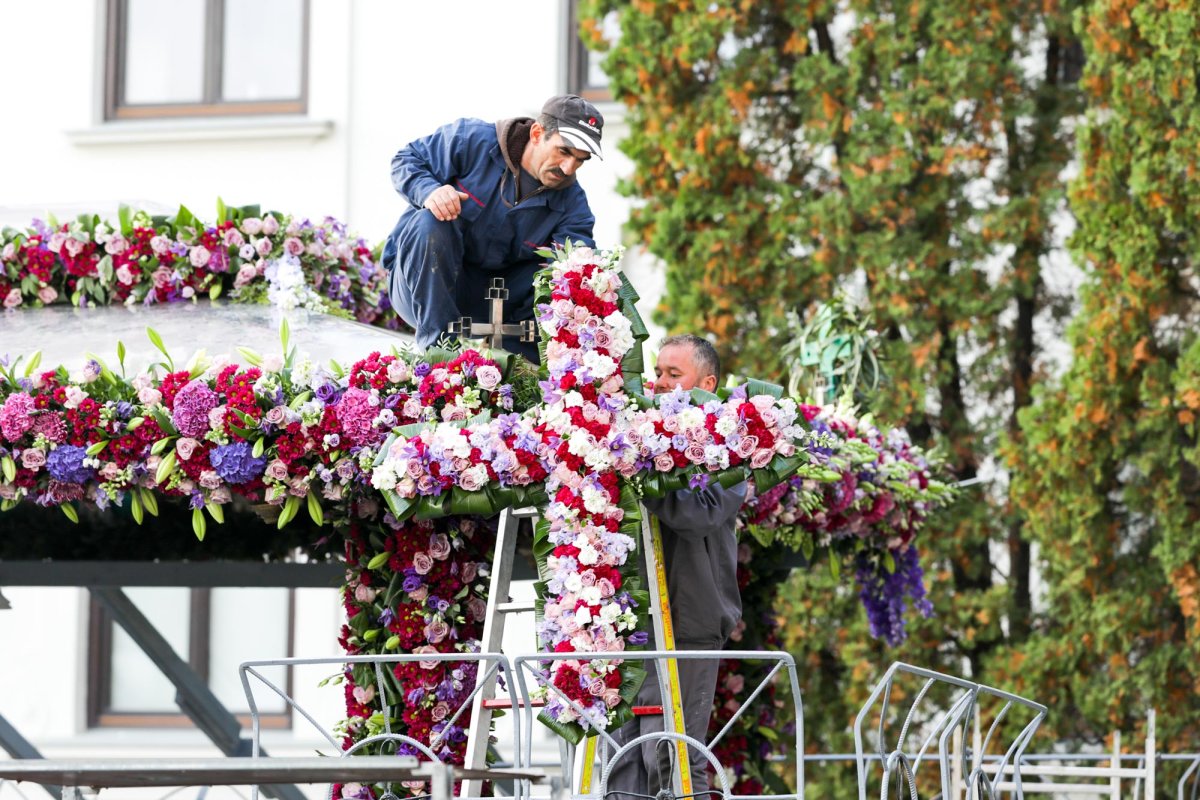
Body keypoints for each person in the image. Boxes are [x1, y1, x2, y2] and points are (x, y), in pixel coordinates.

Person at [607, 334, 746, 799]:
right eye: (658, 373)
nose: (660, 384)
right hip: (633, 623)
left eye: (674, 374)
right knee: (626, 761)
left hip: (691, 621)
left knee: (677, 758)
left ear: (707, 382)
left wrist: (643, 469)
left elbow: (697, 512)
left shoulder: (731, 447)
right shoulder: (639, 435)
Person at [382, 95, 604, 362]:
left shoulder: (573, 204)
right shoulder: (472, 140)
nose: (569, 168)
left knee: (564, 273)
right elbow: (406, 159)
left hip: (487, 302)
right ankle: (440, 360)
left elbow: (577, 273)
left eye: (581, 160)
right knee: (430, 221)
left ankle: (516, 376)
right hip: (418, 287)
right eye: (564, 151)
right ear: (537, 133)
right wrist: (430, 192)